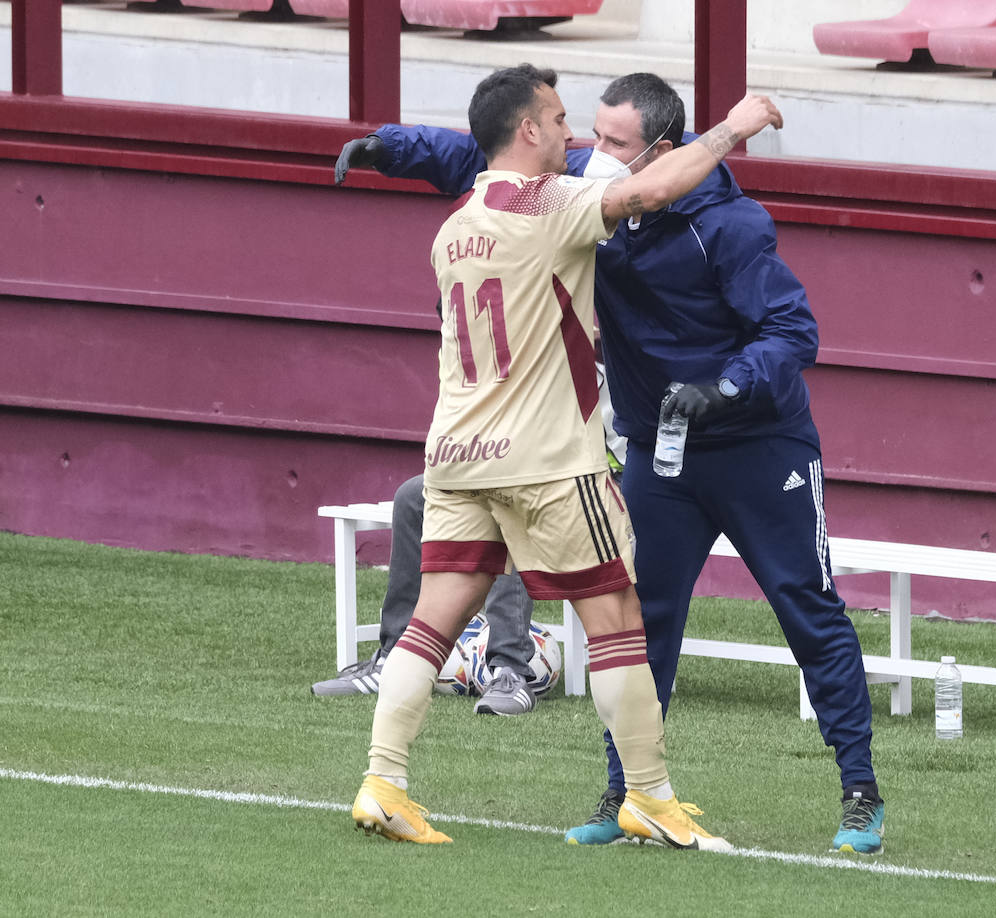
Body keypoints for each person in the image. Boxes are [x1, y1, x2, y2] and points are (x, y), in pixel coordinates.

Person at [335, 73, 885, 854]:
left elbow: (794, 330)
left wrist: (726, 386)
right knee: (633, 618)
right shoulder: (573, 197)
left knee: (806, 608)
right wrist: (394, 145)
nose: (588, 150)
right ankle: (628, 794)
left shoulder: (729, 225)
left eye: (614, 143)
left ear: (663, 151)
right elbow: (482, 152)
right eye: (579, 131)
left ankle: (859, 792)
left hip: (755, 445)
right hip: (642, 452)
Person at [310, 474, 541, 717]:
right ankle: (394, 660)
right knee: (411, 496)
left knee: (503, 494)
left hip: (544, 479)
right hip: (482, 468)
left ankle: (509, 669)